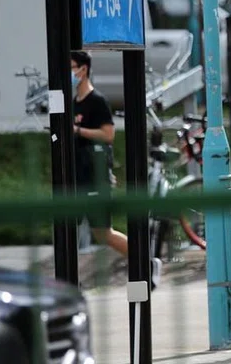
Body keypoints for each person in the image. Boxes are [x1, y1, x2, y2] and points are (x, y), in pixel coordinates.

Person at [71, 51, 162, 289]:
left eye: (72, 67)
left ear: (83, 69)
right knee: (68, 227)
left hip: (95, 175)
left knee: (103, 233)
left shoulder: (97, 101)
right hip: (78, 175)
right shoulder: (73, 102)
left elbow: (108, 134)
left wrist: (78, 131)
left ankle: (146, 263)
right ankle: (70, 281)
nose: (68, 73)